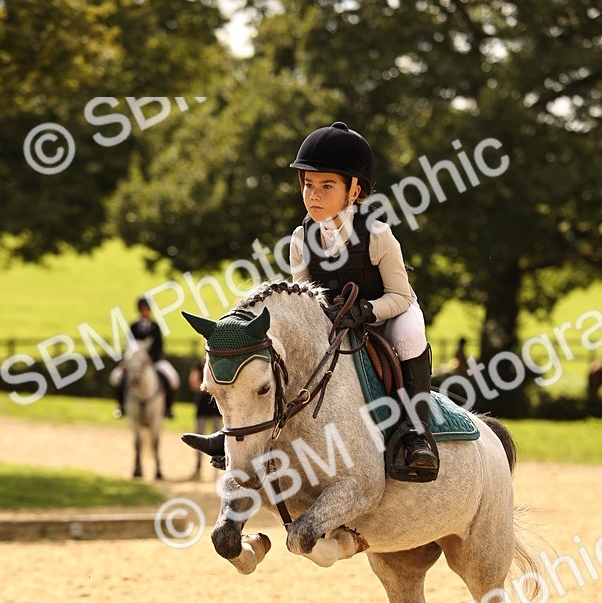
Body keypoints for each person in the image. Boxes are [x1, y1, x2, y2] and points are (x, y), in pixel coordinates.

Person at [187, 120, 439, 478]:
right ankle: (240, 436)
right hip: (332, 320)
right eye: (308, 185)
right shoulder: (300, 239)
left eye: (326, 186)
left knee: (411, 334)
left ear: (354, 191)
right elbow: (302, 302)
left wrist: (366, 311)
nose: (313, 195)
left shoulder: (379, 235)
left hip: (387, 313)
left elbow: (401, 296)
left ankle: (416, 434)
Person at [113, 296, 180, 419]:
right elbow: (129, 345)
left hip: (153, 361)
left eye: (147, 309)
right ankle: (121, 406)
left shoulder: (155, 326)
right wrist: (126, 361)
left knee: (173, 378)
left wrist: (151, 358)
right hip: (135, 361)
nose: (145, 311)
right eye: (143, 309)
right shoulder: (133, 326)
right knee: (117, 377)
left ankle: (168, 408)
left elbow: (159, 345)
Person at [188, 359, 222, 477]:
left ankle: (217, 469)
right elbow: (194, 383)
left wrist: (206, 387)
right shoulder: (198, 365)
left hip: (215, 407)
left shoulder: (219, 363)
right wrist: (209, 387)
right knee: (199, 437)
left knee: (219, 438)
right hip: (202, 407)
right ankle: (198, 467)